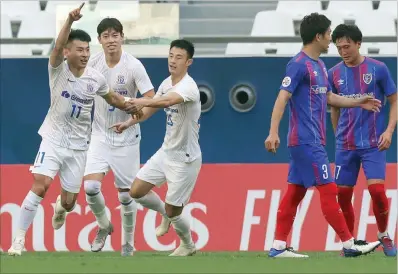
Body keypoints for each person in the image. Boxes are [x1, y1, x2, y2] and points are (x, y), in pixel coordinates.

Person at [8, 4, 135, 256]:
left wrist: (134, 107)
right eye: (80, 49)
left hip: (78, 147)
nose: (86, 54)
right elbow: (55, 47)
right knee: (41, 184)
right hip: (53, 139)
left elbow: (113, 99)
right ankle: (18, 241)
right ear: (67, 52)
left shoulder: (95, 78)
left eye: (88, 49)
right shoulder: (58, 69)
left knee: (68, 203)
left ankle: (60, 207)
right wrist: (68, 20)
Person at [264, 13, 382, 258]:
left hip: (312, 141)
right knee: (329, 191)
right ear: (318, 36)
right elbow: (282, 98)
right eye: (329, 34)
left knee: (294, 193)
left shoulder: (318, 66)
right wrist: (273, 131)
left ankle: (277, 246)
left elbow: (329, 98)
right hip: (306, 141)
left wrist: (359, 101)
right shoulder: (298, 64)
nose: (332, 39)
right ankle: (350, 244)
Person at [111, 39, 201, 256]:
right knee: (136, 191)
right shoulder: (166, 82)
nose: (173, 61)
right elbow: (150, 111)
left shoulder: (188, 86)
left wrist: (138, 101)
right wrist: (128, 123)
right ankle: (166, 214)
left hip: (185, 157)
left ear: (188, 62)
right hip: (166, 152)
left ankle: (187, 245)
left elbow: (164, 102)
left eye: (179, 57)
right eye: (171, 55)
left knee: (174, 210)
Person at [83, 17, 155, 256]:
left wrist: (131, 120)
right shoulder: (92, 63)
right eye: (106, 36)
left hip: (127, 137)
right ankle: (103, 226)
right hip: (100, 135)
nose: (111, 40)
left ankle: (128, 244)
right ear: (99, 40)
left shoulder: (134, 66)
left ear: (122, 37)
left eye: (115, 35)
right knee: (91, 187)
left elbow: (151, 100)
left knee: (126, 197)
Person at [329, 24, 397, 257]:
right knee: (343, 195)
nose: (343, 51)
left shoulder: (378, 69)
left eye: (347, 46)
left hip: (373, 144)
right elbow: (334, 106)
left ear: (358, 43)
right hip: (345, 146)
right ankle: (350, 244)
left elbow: (394, 100)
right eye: (339, 48)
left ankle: (383, 234)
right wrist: (338, 134)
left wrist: (388, 131)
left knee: (377, 192)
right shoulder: (333, 74)